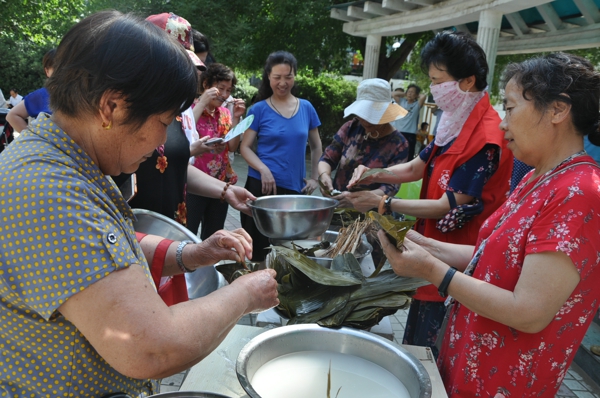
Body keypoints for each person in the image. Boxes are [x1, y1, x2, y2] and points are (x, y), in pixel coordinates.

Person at [0, 11, 279, 397]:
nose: (164, 138)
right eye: (164, 120)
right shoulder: (50, 192)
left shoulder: (66, 161)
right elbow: (150, 347)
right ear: (111, 108)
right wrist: (245, 295)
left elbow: (104, 247)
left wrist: (192, 254)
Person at [379, 52, 600, 398]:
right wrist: (423, 245)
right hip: (471, 365)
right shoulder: (537, 178)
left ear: (558, 110)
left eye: (510, 109)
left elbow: (528, 312)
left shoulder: (579, 193)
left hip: (505, 382)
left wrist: (433, 270)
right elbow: (493, 257)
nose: (503, 123)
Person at [347, 31, 513, 351]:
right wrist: (373, 174)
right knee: (418, 337)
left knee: (434, 348)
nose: (433, 88)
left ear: (467, 81)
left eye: (438, 80)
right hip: (432, 249)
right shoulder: (453, 119)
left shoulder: (486, 137)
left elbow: (445, 205)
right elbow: (415, 167)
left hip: (458, 260)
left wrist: (384, 201)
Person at [240, 50, 323, 262]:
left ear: (295, 76)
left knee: (290, 252)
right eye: (277, 77)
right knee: (258, 252)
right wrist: (263, 169)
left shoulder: (306, 108)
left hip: (294, 191)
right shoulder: (258, 110)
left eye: (288, 76)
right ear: (268, 77)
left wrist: (315, 177)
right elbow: (245, 147)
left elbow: (316, 146)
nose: (283, 82)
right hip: (262, 188)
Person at [187, 63, 246, 239]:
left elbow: (233, 147)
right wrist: (203, 101)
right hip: (194, 184)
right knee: (188, 234)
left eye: (229, 90)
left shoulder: (225, 113)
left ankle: (209, 267)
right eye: (221, 89)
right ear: (206, 85)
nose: (226, 95)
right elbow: (187, 132)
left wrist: (236, 117)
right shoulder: (188, 109)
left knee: (213, 236)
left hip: (220, 183)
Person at [6, 49, 56, 133]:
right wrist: (34, 138)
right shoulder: (41, 95)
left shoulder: (82, 93)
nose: (63, 72)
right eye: (57, 68)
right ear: (47, 71)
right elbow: (12, 115)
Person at [391, 83, 426, 159]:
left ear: (416, 95)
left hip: (410, 134)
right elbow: (393, 94)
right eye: (409, 91)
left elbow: (423, 96)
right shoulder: (401, 101)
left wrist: (416, 95)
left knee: (408, 155)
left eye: (412, 92)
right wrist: (406, 93)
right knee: (395, 154)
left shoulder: (417, 104)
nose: (410, 94)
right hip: (398, 132)